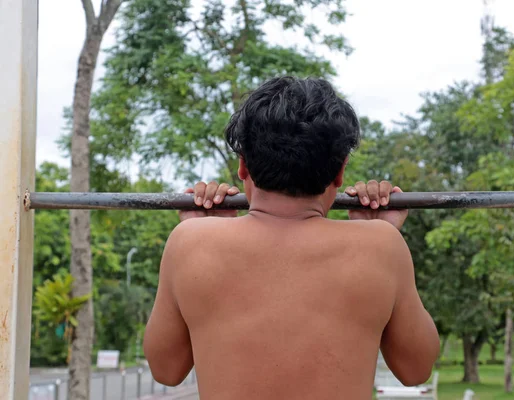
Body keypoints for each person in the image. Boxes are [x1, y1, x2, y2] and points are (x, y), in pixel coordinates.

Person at [143, 76, 439, 400]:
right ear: (340, 171)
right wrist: (380, 235)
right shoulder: (381, 245)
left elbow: (166, 370)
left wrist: (203, 232)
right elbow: (416, 370)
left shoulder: (189, 243)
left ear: (243, 166)